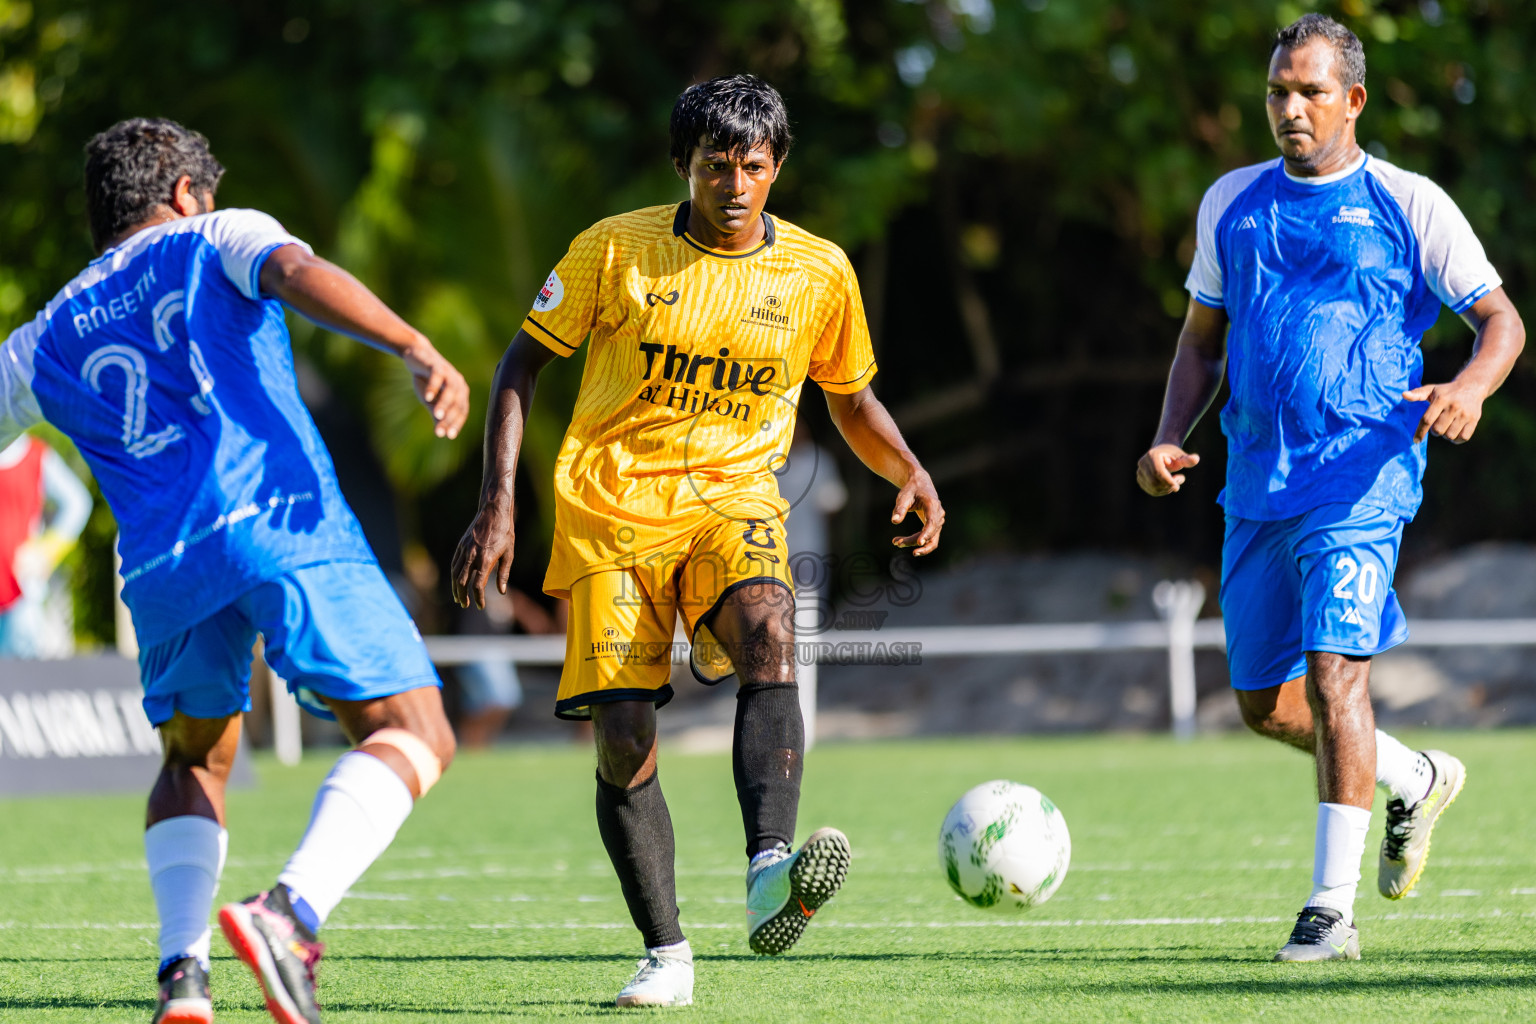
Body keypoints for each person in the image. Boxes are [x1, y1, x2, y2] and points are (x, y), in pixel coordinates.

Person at [451, 75, 944, 1007]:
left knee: (770, 626)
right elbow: (520, 364)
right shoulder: (612, 250)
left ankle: (769, 870)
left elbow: (849, 396)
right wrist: (498, 504)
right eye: (716, 165)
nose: (736, 184)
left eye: (754, 166)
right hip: (611, 509)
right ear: (683, 166)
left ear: (777, 168)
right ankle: (666, 953)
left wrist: (908, 468)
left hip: (733, 499)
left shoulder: (818, 272)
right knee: (623, 734)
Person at [0, 117, 470, 1024]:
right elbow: (293, 273)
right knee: (415, 729)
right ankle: (289, 913)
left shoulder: (42, 336)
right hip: (275, 524)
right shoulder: (218, 233)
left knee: (194, 761)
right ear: (184, 192)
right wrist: (409, 344)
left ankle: (184, 979)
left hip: (163, 574)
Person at [1137, 15, 1523, 962]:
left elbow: (1502, 320)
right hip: (1256, 480)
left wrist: (1469, 387)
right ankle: (1416, 776)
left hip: (1364, 475)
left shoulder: (1409, 201)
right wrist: (1165, 436)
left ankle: (1329, 911)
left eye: (1309, 91)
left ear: (1352, 100)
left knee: (1335, 672)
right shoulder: (1232, 200)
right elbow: (1200, 342)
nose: (1290, 108)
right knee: (1265, 706)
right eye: (1278, 91)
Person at [0, 433, 92, 658]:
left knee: (19, 681)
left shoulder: (35, 455)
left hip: (21, 592)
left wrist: (45, 552)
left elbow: (77, 503)